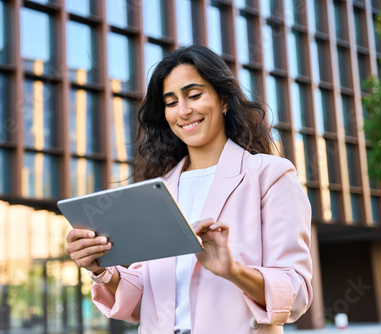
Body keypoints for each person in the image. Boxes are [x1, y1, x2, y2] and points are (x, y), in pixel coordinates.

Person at [66, 45, 313, 333]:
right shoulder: (159, 190)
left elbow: (295, 293)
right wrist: (100, 268)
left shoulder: (270, 175)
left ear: (223, 101)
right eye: (171, 103)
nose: (183, 111)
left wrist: (234, 272)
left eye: (194, 95)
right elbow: (146, 295)